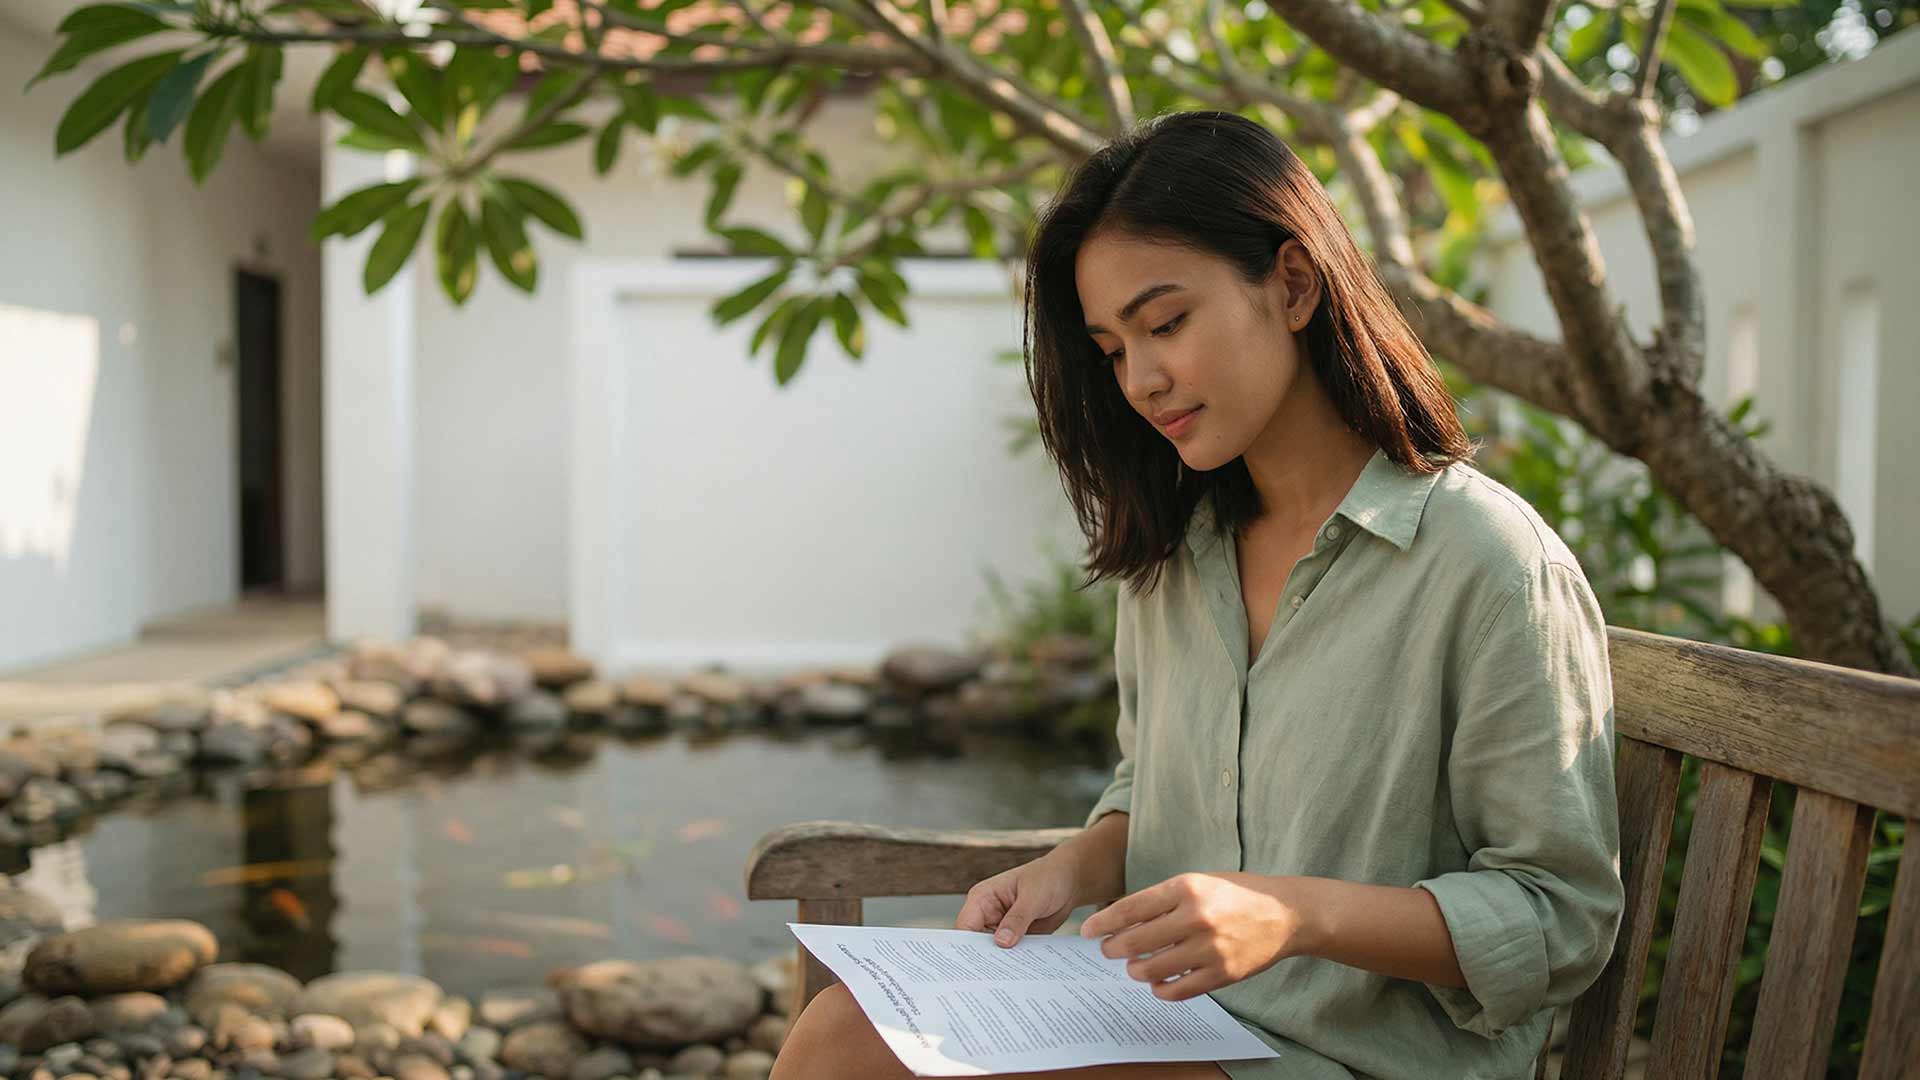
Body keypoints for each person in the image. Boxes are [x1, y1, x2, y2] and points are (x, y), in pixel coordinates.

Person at [770, 109, 1625, 1080]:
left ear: (1294, 284)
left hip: (1357, 1061)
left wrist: (1294, 916)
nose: (1142, 378)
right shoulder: (1177, 559)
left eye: (1165, 323)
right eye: (1113, 347)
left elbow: (1561, 918)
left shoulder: (1488, 563)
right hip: (1175, 1025)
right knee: (840, 1038)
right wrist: (1074, 869)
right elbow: (1156, 791)